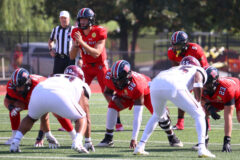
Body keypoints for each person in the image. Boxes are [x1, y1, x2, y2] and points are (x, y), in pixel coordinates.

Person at [134, 56, 215, 158]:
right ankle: (202, 148)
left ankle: (140, 146)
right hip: (174, 84)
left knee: (156, 115)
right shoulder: (198, 69)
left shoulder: (174, 68)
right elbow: (198, 79)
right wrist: (198, 102)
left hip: (155, 83)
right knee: (200, 114)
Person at [97, 60, 182, 149]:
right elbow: (107, 92)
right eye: (115, 80)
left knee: (161, 115)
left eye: (120, 80)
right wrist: (114, 98)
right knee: (112, 105)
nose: (117, 83)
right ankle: (108, 138)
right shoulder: (108, 76)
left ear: (128, 76)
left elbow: (138, 115)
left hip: (147, 93)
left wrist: (134, 138)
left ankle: (172, 136)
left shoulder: (137, 85)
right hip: (126, 94)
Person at [10, 66, 91, 153]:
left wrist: (47, 133)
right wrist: (88, 141)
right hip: (59, 94)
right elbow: (86, 114)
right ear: (81, 77)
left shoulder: (57, 76)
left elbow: (44, 113)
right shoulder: (80, 83)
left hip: (38, 89)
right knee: (82, 117)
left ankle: (15, 141)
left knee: (30, 118)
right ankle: (77, 142)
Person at [70, 8, 123, 131]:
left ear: (90, 20)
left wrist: (82, 43)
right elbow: (72, 56)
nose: (82, 22)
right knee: (78, 92)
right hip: (86, 66)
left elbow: (96, 53)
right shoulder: (76, 32)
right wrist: (75, 44)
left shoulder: (99, 31)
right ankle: (75, 118)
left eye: (84, 19)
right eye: (80, 19)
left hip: (100, 66)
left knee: (108, 93)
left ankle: (118, 121)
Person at [4, 68, 76, 147]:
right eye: (16, 87)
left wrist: (40, 137)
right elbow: (7, 100)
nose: (17, 89)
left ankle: (74, 136)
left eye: (20, 86)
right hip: (31, 98)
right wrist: (11, 108)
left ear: (27, 83)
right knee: (15, 108)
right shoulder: (11, 86)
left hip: (51, 93)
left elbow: (44, 114)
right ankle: (14, 136)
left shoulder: (39, 86)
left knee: (57, 113)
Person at [168, 31, 209, 130]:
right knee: (181, 95)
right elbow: (175, 67)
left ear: (184, 44)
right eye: (173, 45)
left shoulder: (195, 49)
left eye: (177, 45)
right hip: (186, 74)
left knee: (202, 98)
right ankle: (180, 123)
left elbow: (204, 67)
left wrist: (203, 82)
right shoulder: (171, 52)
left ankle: (206, 122)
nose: (174, 47)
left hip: (199, 73)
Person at [202, 66, 240, 152]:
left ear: (214, 82)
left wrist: (227, 141)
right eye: (202, 83)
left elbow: (228, 116)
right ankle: (204, 139)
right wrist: (209, 107)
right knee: (201, 113)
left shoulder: (226, 89)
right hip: (218, 97)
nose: (203, 86)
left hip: (237, 94)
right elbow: (200, 100)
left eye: (206, 83)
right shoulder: (200, 85)